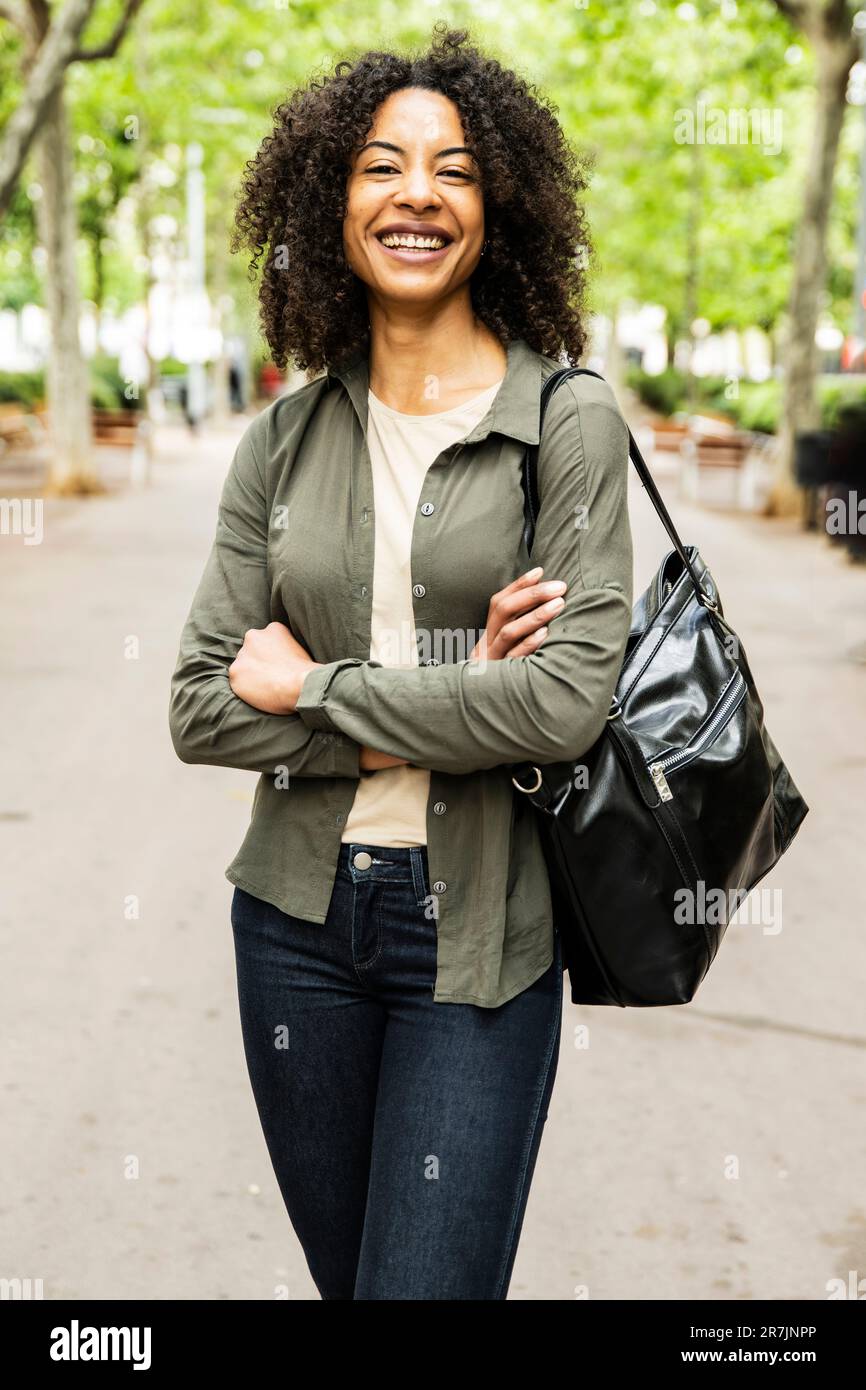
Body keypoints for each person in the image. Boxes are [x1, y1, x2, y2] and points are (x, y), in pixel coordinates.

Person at [169, 23, 633, 1300]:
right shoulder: (285, 435)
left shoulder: (565, 423)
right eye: (381, 167)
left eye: (456, 170)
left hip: (476, 938)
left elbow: (556, 704)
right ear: (333, 202)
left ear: (502, 210)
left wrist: (312, 685)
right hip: (293, 931)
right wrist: (451, 704)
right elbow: (202, 706)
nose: (416, 194)